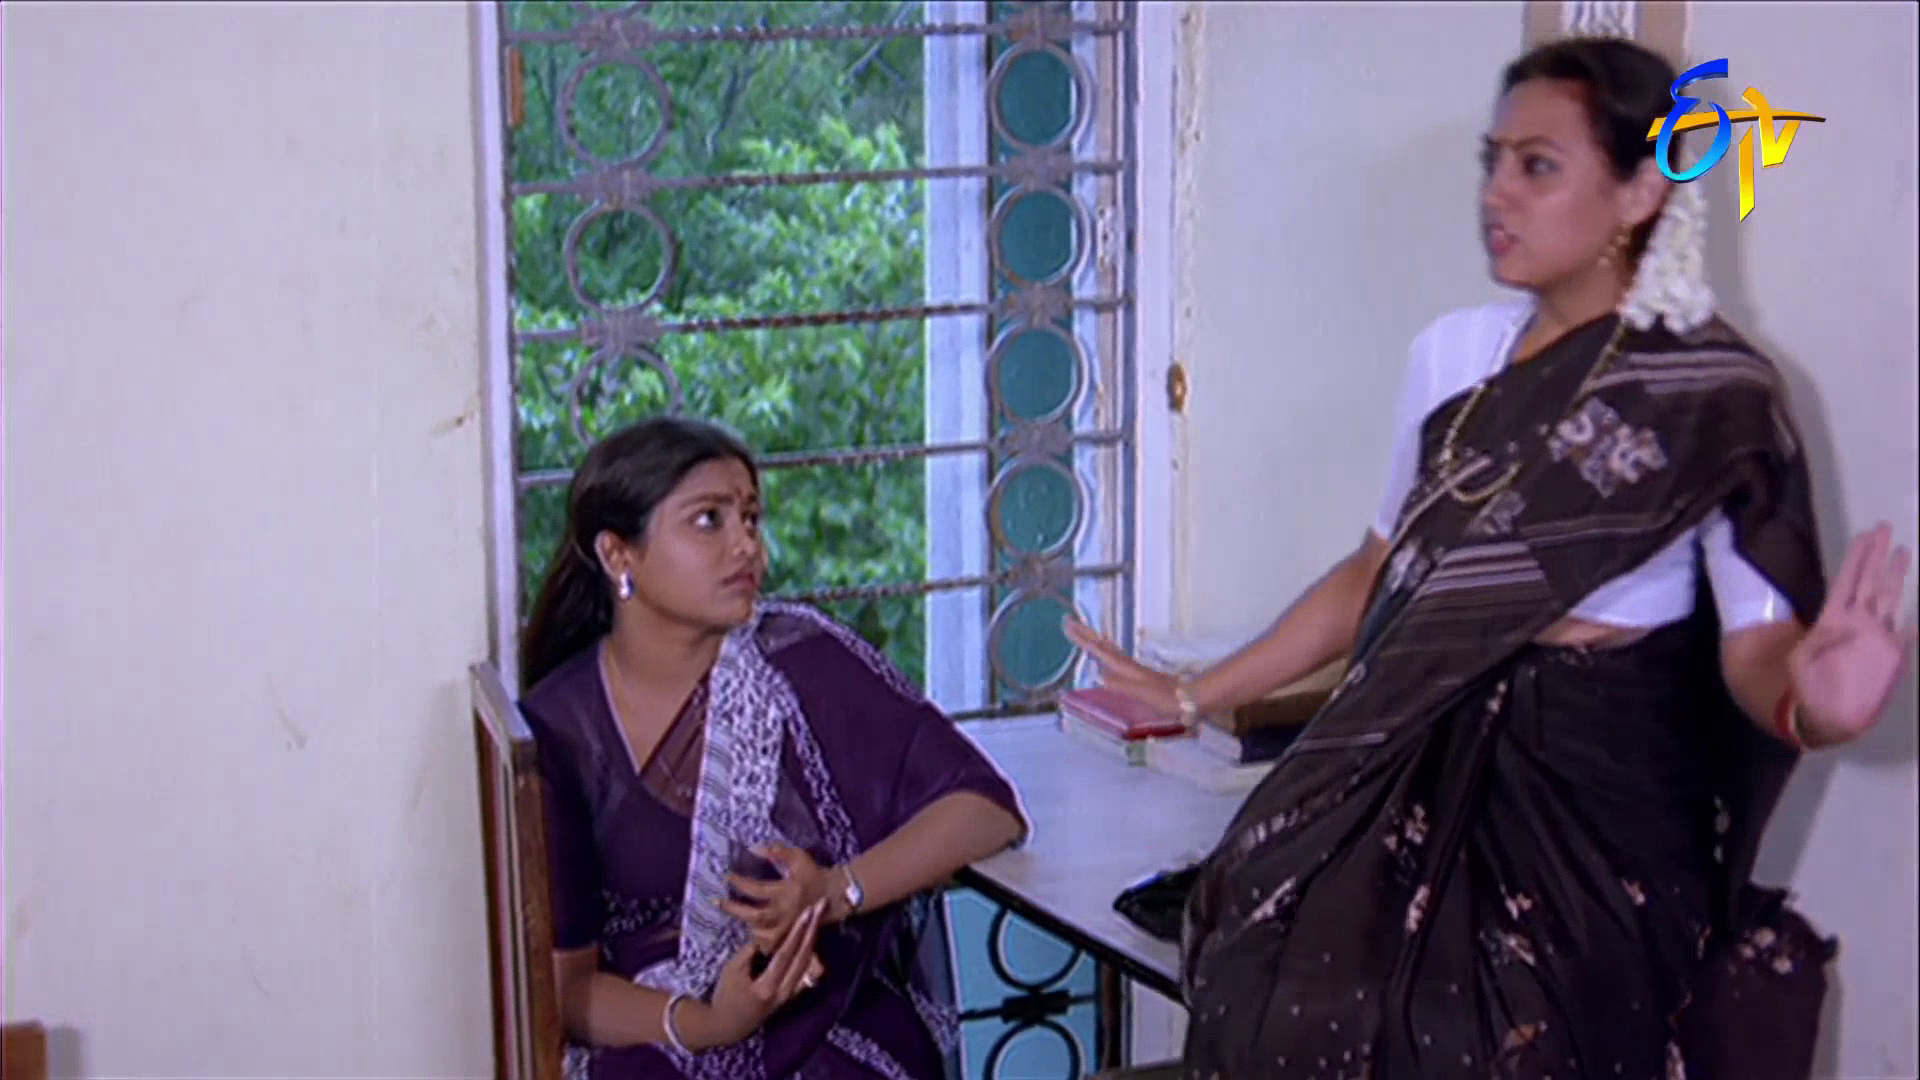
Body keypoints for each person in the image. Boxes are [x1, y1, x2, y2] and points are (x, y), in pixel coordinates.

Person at [1066, 36, 1913, 1080]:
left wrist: (1814, 706)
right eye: (1494, 160)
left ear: (1640, 190)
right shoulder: (1454, 357)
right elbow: (1375, 572)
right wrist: (1196, 693)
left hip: (1592, 835)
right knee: (1273, 984)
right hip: (1418, 778)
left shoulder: (1709, 398)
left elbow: (1759, 650)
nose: (1497, 193)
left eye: (1537, 165)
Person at [518, 415, 1030, 1080]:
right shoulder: (559, 729)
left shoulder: (802, 660)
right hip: (654, 1034)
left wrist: (835, 892)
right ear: (619, 555)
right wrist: (709, 1023)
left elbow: (986, 811)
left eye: (751, 519)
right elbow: (568, 993)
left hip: (825, 1023)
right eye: (709, 520)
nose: (747, 547)